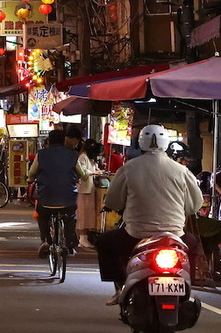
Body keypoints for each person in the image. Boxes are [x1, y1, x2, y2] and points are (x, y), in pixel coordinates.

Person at [96, 124, 203, 305]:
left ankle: (120, 287)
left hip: (136, 234)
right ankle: (187, 285)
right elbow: (194, 205)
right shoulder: (181, 171)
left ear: (140, 143)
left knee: (104, 242)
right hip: (175, 236)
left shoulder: (128, 168)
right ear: (165, 143)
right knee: (193, 245)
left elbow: (113, 202)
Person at [28, 128, 84, 257]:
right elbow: (81, 173)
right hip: (68, 197)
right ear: (64, 140)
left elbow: (32, 173)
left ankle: (46, 240)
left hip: (46, 197)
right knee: (70, 216)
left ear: (49, 140)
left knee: (42, 215)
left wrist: (30, 179)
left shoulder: (41, 154)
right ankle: (69, 244)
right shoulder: (72, 154)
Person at [76, 139, 104, 249]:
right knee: (83, 214)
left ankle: (84, 237)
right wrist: (92, 172)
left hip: (90, 190)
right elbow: (81, 172)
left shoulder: (91, 159)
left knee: (88, 215)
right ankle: (82, 238)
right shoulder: (83, 157)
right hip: (84, 190)